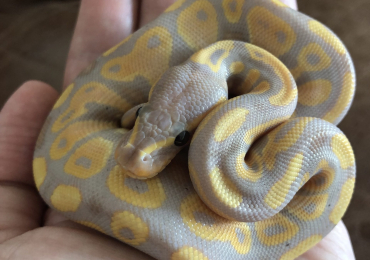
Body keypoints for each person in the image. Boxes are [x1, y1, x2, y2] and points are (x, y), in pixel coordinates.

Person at [0, 0, 356, 259]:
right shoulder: (225, 96)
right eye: (141, 115)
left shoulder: (284, 107)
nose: (134, 156)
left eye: (182, 139)